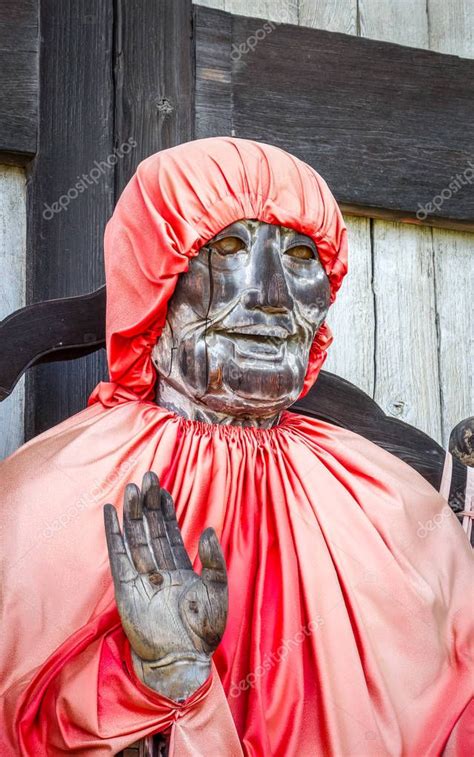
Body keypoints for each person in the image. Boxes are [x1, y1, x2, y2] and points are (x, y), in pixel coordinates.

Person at [0, 138, 472, 755]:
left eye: (302, 255)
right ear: (155, 277)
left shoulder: (391, 501)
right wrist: (162, 684)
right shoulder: (48, 501)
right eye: (228, 248)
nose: (272, 295)